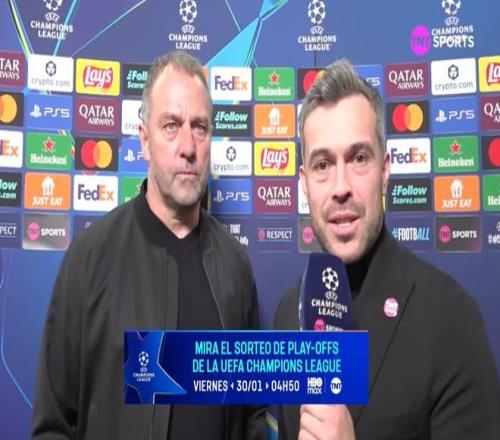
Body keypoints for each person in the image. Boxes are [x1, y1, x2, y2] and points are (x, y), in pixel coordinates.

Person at [32, 50, 266, 439]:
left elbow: (251, 415)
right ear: (144, 140)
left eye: (200, 127)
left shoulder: (235, 266)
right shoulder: (89, 259)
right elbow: (53, 425)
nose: (188, 146)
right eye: (171, 125)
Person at [274, 59, 500, 440]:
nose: (341, 187)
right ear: (304, 183)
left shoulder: (452, 319)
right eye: (323, 164)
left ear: (385, 171)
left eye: (359, 158)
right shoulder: (287, 315)